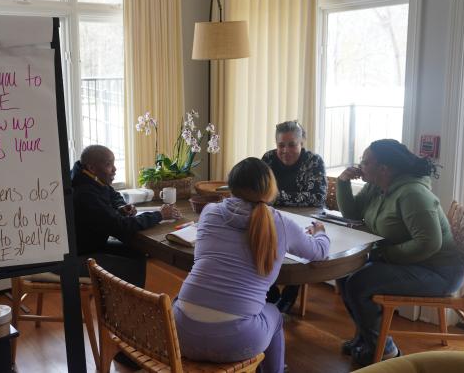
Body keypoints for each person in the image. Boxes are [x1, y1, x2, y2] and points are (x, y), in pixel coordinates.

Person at [172, 157, 329, 373]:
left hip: (180, 335)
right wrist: (320, 233)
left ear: (231, 185)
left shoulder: (210, 212)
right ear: (270, 187)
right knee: (274, 314)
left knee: (181, 299)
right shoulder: (281, 223)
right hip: (236, 342)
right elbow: (318, 252)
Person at [336, 139, 464, 366]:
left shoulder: (413, 194)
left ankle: (386, 349)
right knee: (345, 273)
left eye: (366, 162)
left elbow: (428, 243)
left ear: (384, 168)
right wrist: (343, 182)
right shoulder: (377, 186)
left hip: (438, 272)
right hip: (409, 262)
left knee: (358, 283)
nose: (360, 165)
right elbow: (353, 214)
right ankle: (367, 339)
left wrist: (385, 255)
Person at [71, 145, 180, 287]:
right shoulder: (85, 193)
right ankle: (125, 303)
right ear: (92, 167)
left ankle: (130, 299)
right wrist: (159, 215)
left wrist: (120, 206)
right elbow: (122, 226)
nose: (114, 169)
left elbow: (113, 194)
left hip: (91, 245)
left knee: (137, 251)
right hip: (79, 256)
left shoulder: (87, 177)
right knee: (133, 265)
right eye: (109, 164)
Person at [262, 120, 327, 313]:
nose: (285, 150)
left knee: (301, 247)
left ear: (302, 143)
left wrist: (275, 197)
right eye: (281, 145)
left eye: (292, 144)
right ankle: (271, 293)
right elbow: (260, 192)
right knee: (260, 245)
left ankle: (290, 294)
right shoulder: (268, 159)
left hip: (306, 219)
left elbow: (316, 198)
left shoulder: (314, 161)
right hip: (273, 218)